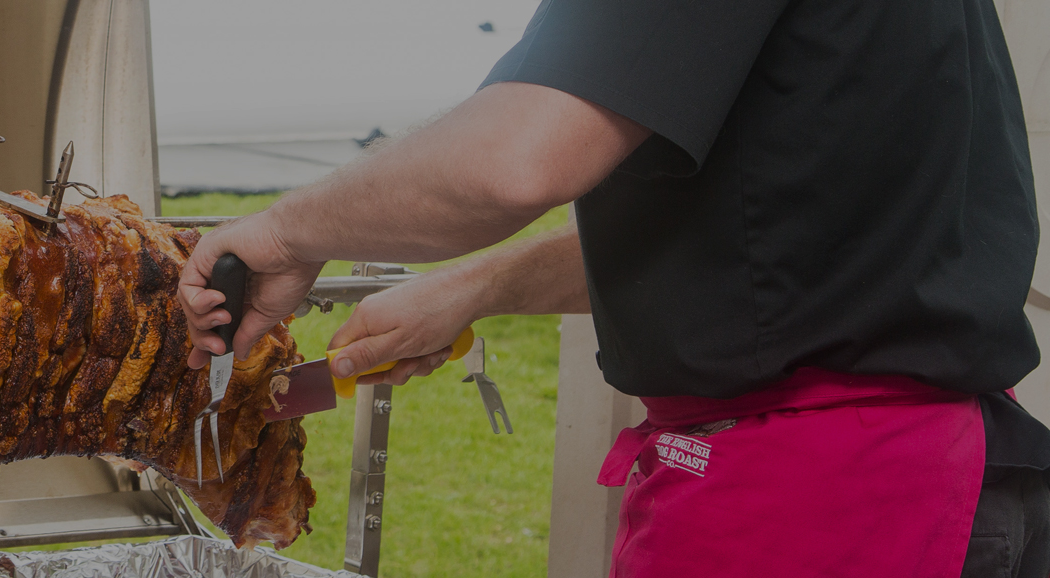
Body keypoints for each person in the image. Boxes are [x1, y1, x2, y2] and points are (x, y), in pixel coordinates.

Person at [177, 0, 1049, 575]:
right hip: (931, 476)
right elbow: (768, 231)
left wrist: (285, 232)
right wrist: (475, 288)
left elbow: (515, 159)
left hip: (827, 506)